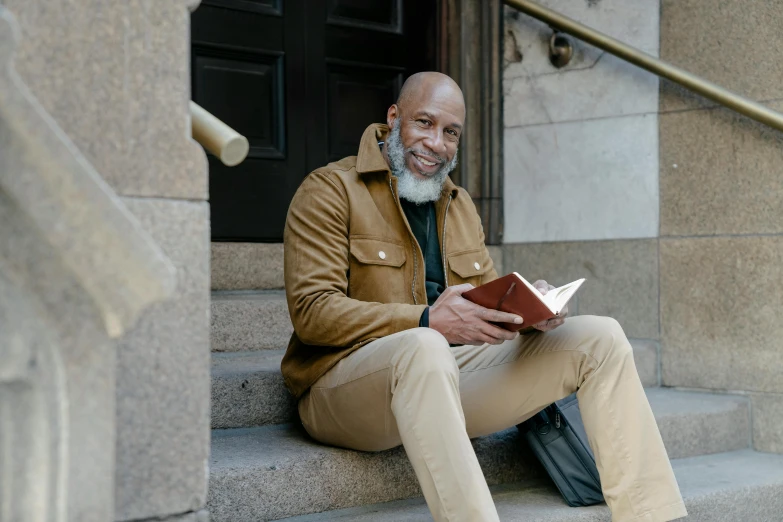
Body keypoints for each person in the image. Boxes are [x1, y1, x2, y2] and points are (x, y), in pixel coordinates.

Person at [281, 71, 687, 522]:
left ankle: (652, 516)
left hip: (445, 379)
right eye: (424, 123)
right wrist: (426, 321)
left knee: (600, 337)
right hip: (342, 390)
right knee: (424, 345)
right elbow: (312, 314)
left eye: (450, 132)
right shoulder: (330, 190)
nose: (436, 144)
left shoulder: (459, 204)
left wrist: (531, 312)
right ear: (394, 119)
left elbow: (489, 308)